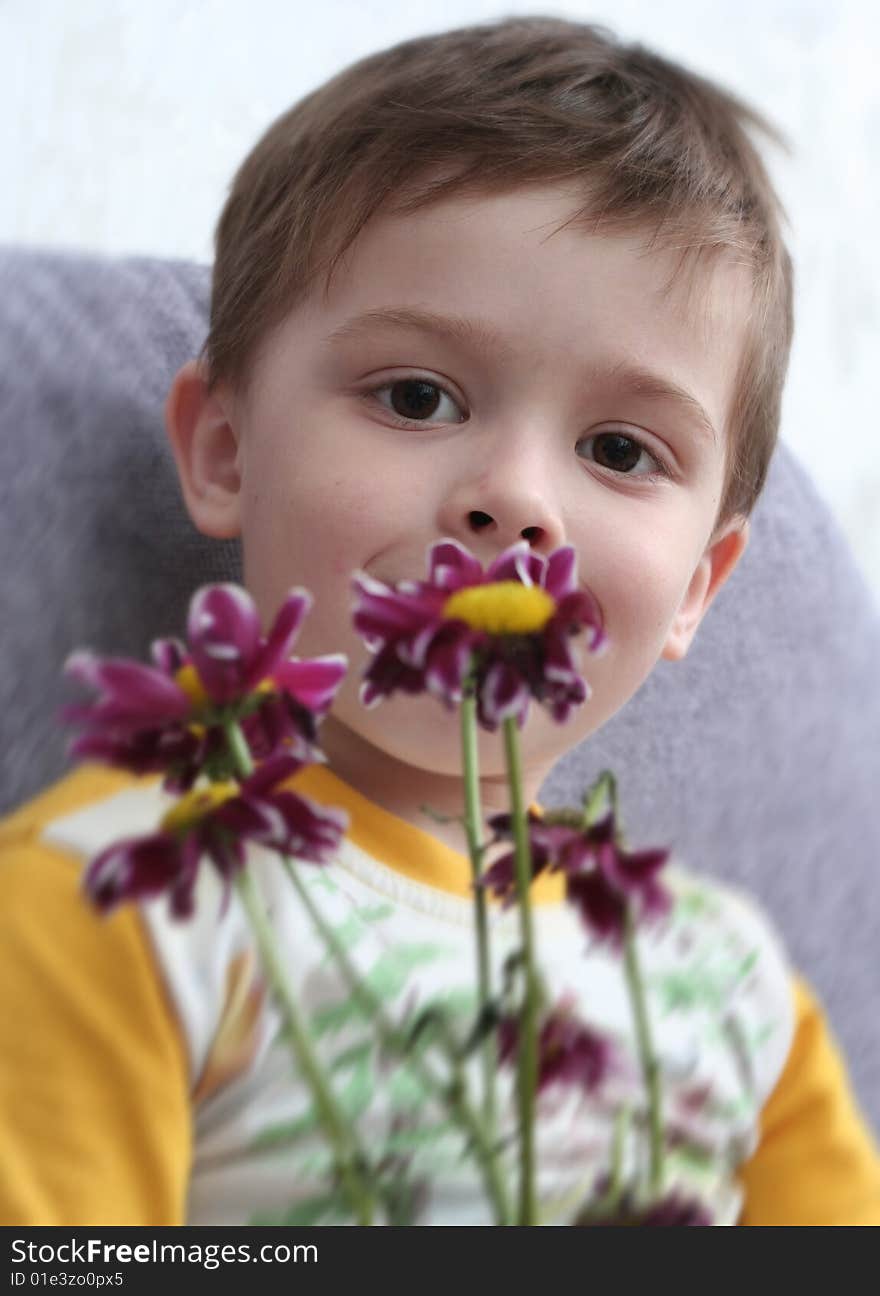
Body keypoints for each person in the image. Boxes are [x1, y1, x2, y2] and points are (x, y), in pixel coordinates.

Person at [1, 15, 878, 1227]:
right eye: (417, 396)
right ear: (222, 448)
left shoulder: (731, 987)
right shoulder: (118, 899)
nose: (515, 498)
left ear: (694, 591)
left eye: (619, 450)